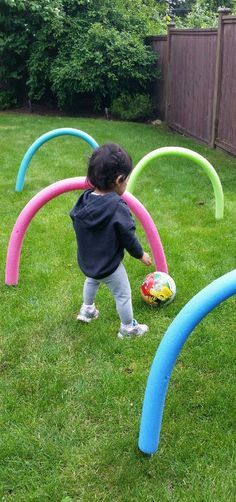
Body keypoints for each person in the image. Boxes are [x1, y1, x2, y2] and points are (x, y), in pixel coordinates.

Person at [70, 143, 152, 339]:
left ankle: (87, 310)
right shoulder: (117, 207)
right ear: (119, 179)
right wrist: (141, 254)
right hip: (109, 265)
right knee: (123, 295)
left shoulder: (84, 200)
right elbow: (128, 237)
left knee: (92, 281)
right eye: (126, 181)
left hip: (89, 262)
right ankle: (128, 328)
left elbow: (76, 220)